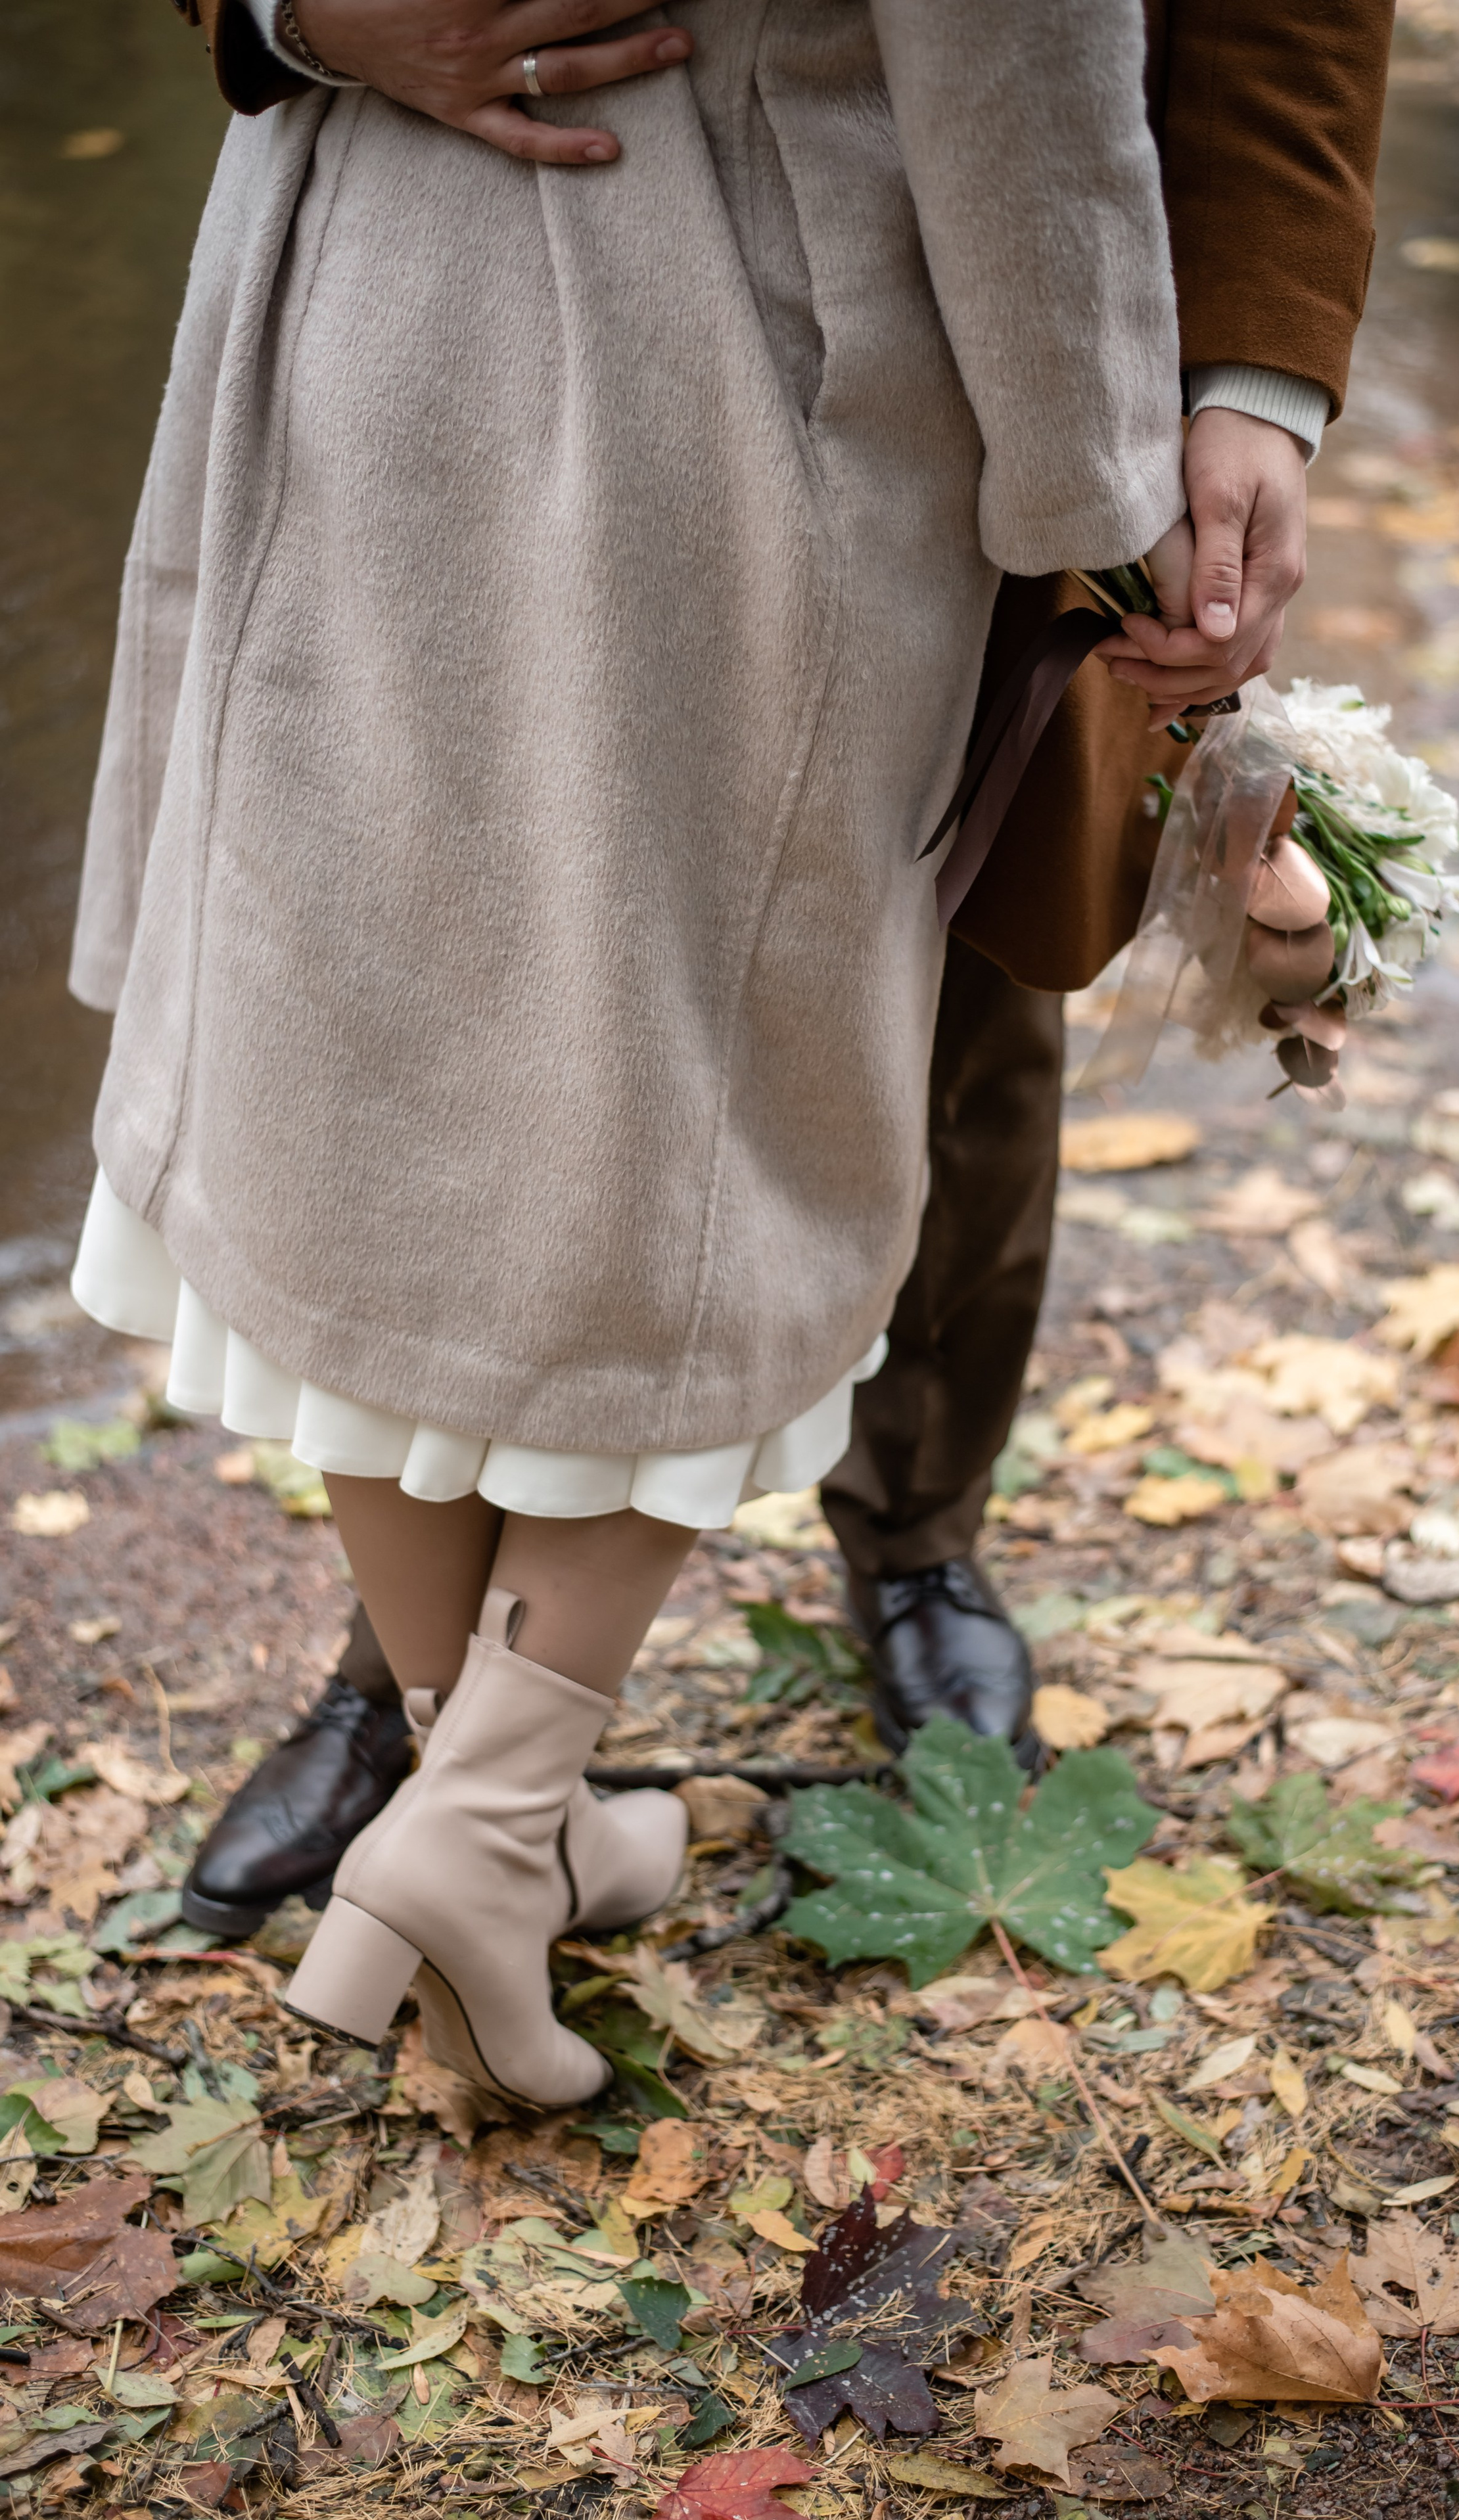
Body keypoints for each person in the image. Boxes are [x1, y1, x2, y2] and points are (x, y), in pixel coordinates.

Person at [172, 0, 1394, 1946]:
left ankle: (897, 1543)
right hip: (443, 241)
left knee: (899, 1003)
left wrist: (1228, 369)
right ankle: (470, 1753)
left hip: (905, 286)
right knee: (427, 983)